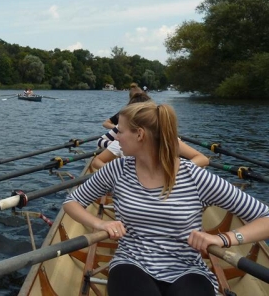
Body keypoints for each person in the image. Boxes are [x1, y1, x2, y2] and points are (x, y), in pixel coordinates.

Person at [64, 101, 269, 296]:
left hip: (187, 268)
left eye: (120, 131)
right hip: (131, 263)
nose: (115, 138)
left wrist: (223, 239)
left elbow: (265, 218)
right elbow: (72, 202)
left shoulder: (195, 176)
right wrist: (99, 224)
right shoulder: (117, 169)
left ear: (140, 135)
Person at [94, 91, 209, 169]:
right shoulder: (121, 142)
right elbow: (97, 161)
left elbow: (202, 159)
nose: (118, 137)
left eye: (121, 132)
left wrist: (177, 171)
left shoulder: (167, 140)